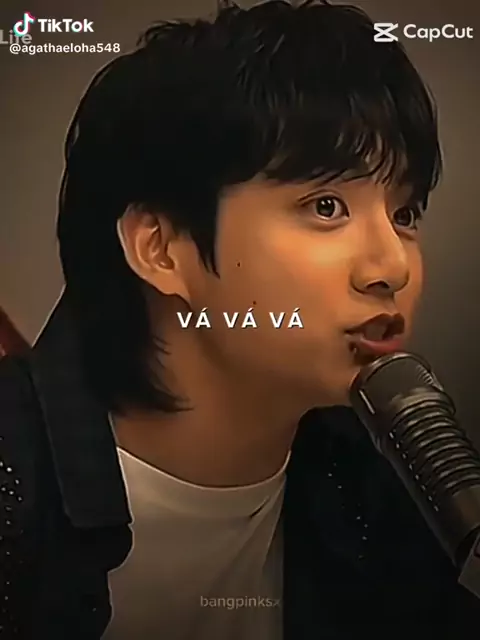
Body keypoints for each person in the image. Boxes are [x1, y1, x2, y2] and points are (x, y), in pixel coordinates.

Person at [1, 0, 479, 638]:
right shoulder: (16, 477)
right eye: (327, 206)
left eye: (404, 214)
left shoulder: (385, 492)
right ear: (161, 250)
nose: (391, 266)